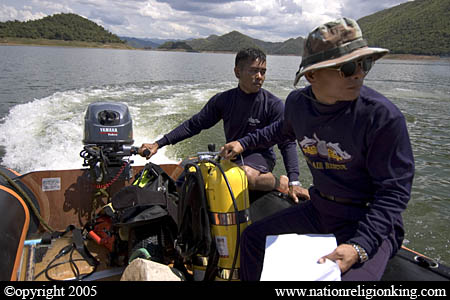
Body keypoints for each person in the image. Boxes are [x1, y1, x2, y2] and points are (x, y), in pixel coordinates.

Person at [220, 17, 415, 280]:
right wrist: (243, 143)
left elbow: (393, 192)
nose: (358, 73)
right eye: (347, 67)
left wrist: (360, 246)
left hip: (365, 219)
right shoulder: (298, 104)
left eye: (364, 64)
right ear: (312, 74)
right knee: (252, 238)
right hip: (321, 208)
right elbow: (279, 131)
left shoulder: (381, 118)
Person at [139, 47, 305, 196]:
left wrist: (294, 180)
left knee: (247, 175)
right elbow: (194, 125)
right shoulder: (224, 100)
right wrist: (158, 144)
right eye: (254, 71)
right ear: (237, 72)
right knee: (187, 177)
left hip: (260, 157)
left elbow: (287, 143)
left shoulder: (273, 104)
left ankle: (278, 182)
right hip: (231, 154)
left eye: (263, 71)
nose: (260, 77)